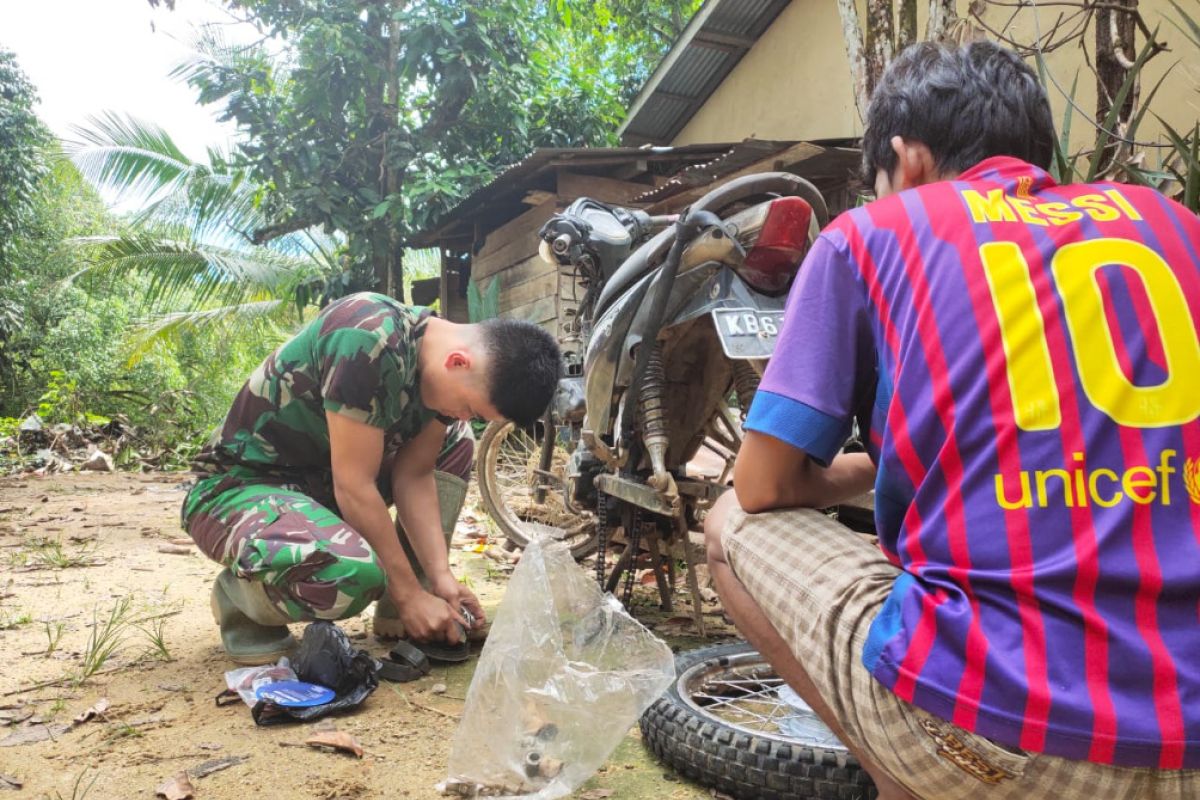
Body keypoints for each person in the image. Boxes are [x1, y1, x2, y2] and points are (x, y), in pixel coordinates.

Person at [705, 40, 1200, 799]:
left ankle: (909, 786)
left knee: (729, 523)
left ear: (905, 162)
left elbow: (764, 484)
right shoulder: (1175, 226)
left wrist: (865, 472)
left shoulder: (876, 232)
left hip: (1000, 735)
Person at [181, 291, 562, 665]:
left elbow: (415, 474)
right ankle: (242, 599)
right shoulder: (365, 336)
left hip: (320, 487)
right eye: (468, 407)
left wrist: (440, 578)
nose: (464, 414)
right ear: (458, 362)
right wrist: (410, 592)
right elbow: (355, 485)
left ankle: (405, 602)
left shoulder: (444, 374)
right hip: (239, 490)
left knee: (456, 440)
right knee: (352, 575)